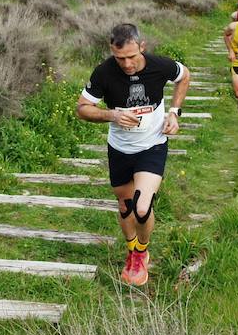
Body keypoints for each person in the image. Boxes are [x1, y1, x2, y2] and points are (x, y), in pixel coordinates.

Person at [76, 23, 189, 287]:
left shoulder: (159, 66)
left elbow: (184, 76)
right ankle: (132, 250)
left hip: (152, 145)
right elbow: (82, 108)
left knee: (141, 207)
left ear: (142, 46)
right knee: (125, 206)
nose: (126, 64)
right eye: (119, 58)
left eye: (131, 57)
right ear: (111, 52)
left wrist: (174, 112)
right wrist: (111, 115)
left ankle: (141, 253)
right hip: (120, 149)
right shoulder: (104, 72)